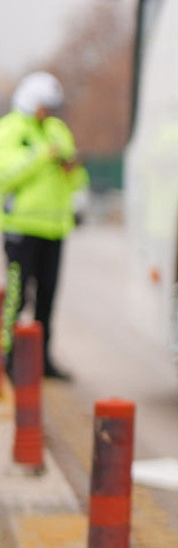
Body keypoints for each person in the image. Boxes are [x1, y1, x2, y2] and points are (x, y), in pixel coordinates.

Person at [0, 71, 85, 380]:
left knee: (47, 299)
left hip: (54, 229)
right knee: (17, 296)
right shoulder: (9, 130)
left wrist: (72, 170)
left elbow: (75, 177)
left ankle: (42, 361)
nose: (47, 113)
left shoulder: (57, 130)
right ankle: (7, 358)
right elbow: (5, 175)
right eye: (43, 106)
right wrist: (41, 156)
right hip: (21, 228)